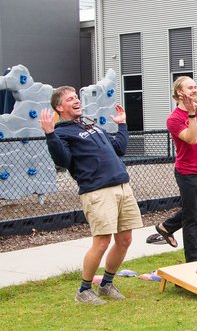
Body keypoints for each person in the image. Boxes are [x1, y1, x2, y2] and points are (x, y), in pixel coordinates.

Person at [39, 87, 143, 305]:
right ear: (60, 107)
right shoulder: (61, 133)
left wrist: (122, 123)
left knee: (125, 240)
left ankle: (106, 284)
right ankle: (84, 290)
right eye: (70, 99)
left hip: (122, 186)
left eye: (76, 97)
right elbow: (62, 161)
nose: (76, 100)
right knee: (102, 242)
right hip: (97, 191)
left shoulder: (90, 125)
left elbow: (119, 148)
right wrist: (49, 134)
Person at [155, 76, 197, 263]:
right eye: (191, 88)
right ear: (180, 93)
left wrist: (196, 108)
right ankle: (193, 264)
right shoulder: (174, 119)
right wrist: (191, 114)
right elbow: (191, 139)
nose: (195, 90)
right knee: (191, 221)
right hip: (186, 173)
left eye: (196, 87)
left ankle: (166, 226)